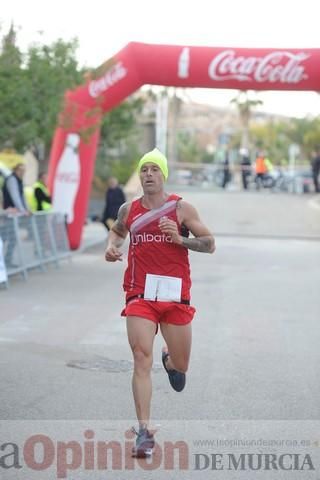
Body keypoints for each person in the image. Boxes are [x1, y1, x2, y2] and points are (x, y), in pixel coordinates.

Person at [105, 148, 215, 458]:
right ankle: (143, 432)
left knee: (182, 365)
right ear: (139, 175)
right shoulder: (130, 209)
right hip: (140, 294)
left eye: (154, 169)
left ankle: (170, 361)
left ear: (163, 174)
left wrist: (181, 240)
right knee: (141, 357)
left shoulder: (181, 209)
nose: (148, 174)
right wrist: (112, 248)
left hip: (174, 296)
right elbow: (116, 232)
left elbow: (210, 244)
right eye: (144, 170)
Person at [2, 163, 30, 267]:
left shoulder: (19, 181)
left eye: (24, 170)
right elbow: (15, 196)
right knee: (6, 237)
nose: (22, 172)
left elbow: (22, 197)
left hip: (13, 214)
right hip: (9, 214)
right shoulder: (12, 180)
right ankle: (6, 260)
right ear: (15, 170)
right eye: (20, 170)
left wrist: (27, 209)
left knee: (10, 237)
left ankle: (7, 260)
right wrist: (23, 210)